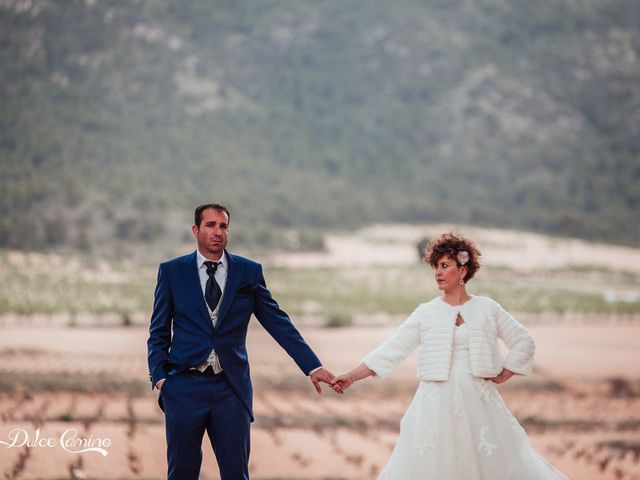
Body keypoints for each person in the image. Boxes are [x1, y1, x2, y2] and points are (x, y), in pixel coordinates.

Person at [332, 232, 569, 479]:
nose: (438, 272)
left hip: (478, 402)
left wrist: (505, 372)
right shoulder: (426, 312)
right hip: (434, 403)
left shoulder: (487, 308)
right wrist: (351, 376)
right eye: (436, 267)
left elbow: (523, 341)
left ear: (463, 271)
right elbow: (393, 349)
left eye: (445, 266)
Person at [147, 203, 335, 480]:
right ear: (195, 230)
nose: (217, 232)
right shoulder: (172, 271)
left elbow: (278, 323)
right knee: (181, 473)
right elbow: (158, 331)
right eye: (210, 225)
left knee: (236, 474)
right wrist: (161, 378)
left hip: (231, 388)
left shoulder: (248, 272)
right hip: (183, 386)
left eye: (223, 226)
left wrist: (312, 366)